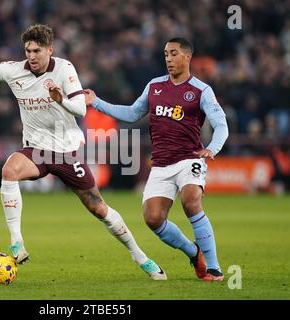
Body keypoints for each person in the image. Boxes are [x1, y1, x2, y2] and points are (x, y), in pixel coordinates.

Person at [0, 24, 166, 280]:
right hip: (36, 149)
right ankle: (17, 242)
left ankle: (140, 256)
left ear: (50, 50)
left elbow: (80, 109)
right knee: (9, 170)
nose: (31, 56)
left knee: (98, 208)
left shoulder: (64, 69)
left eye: (37, 50)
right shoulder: (14, 70)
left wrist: (60, 99)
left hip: (66, 152)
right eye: (28, 50)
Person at [84, 37, 229, 281]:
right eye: (165, 54)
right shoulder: (155, 86)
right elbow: (131, 114)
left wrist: (212, 148)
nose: (169, 59)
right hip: (161, 164)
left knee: (191, 201)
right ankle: (194, 252)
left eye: (173, 54)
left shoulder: (201, 90)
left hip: (189, 158)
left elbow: (221, 125)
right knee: (153, 219)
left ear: (187, 57)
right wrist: (96, 102)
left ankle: (214, 268)